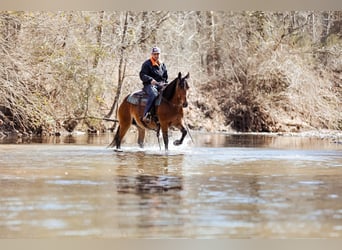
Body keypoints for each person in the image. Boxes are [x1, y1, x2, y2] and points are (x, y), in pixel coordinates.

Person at [139, 46, 168, 122]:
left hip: (160, 85)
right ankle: (146, 114)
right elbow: (142, 75)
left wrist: (165, 83)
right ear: (152, 54)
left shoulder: (162, 65)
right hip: (149, 85)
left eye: (157, 54)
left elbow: (165, 76)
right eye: (154, 54)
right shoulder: (147, 64)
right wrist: (150, 79)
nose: (156, 56)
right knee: (154, 94)